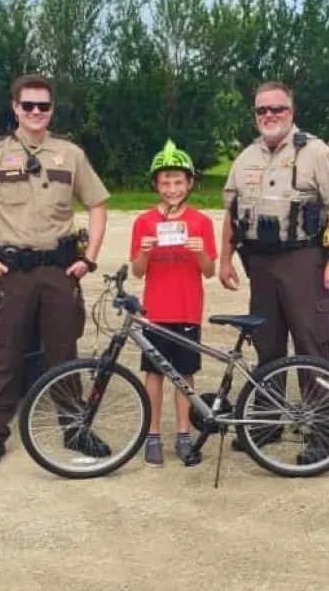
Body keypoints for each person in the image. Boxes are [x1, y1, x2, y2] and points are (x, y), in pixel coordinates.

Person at [0, 73, 112, 469]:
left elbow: (98, 204)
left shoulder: (69, 154)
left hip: (59, 271)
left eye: (44, 106)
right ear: (15, 109)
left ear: (52, 109)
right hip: (12, 273)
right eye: (28, 105)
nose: (36, 112)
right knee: (6, 357)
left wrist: (88, 258)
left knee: (64, 355)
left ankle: (74, 429)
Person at [218, 81, 329, 466]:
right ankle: (265, 421)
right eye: (262, 111)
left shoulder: (314, 152)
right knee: (267, 345)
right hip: (259, 262)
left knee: (312, 345)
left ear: (291, 112)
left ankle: (324, 431)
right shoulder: (245, 158)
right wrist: (226, 259)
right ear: (255, 115)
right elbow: (232, 214)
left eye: (277, 109)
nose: (270, 116)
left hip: (303, 260)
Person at [129, 139, 217, 467]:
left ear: (190, 183)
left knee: (184, 374)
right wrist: (145, 252)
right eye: (165, 182)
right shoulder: (144, 222)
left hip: (187, 310)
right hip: (154, 313)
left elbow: (207, 271)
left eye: (178, 181)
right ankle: (152, 434)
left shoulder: (201, 222)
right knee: (154, 374)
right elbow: (138, 272)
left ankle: (183, 433)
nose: (172, 188)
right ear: (156, 184)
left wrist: (201, 253)